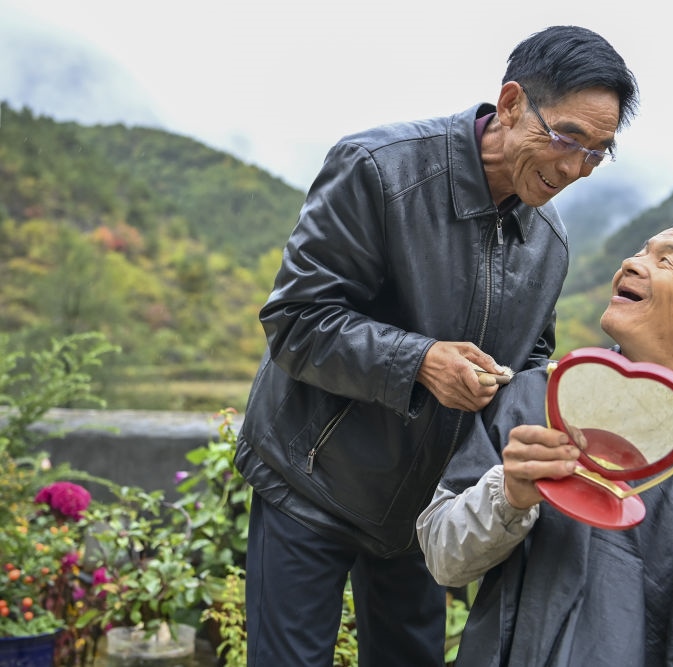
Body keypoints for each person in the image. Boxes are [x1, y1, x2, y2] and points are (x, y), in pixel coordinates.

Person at [232, 25, 639, 667]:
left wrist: (555, 407)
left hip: (422, 511)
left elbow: (530, 362)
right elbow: (296, 320)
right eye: (565, 138)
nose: (573, 168)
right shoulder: (378, 169)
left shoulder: (549, 240)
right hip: (310, 481)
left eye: (595, 153)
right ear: (511, 104)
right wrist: (420, 361)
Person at [416, 219, 673, 666]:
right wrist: (510, 493)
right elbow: (442, 558)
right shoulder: (534, 398)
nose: (631, 263)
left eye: (666, 260)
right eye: (640, 251)